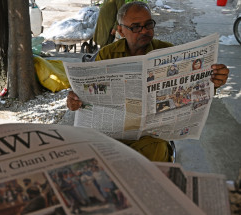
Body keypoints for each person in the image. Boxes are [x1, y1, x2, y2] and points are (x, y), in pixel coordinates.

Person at [67, 2, 229, 162]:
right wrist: (74, 101)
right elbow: (88, 95)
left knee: (152, 156)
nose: (144, 30)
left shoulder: (168, 53)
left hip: (149, 137)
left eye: (148, 24)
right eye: (136, 27)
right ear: (121, 30)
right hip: (110, 134)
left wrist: (213, 83)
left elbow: (191, 93)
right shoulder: (106, 55)